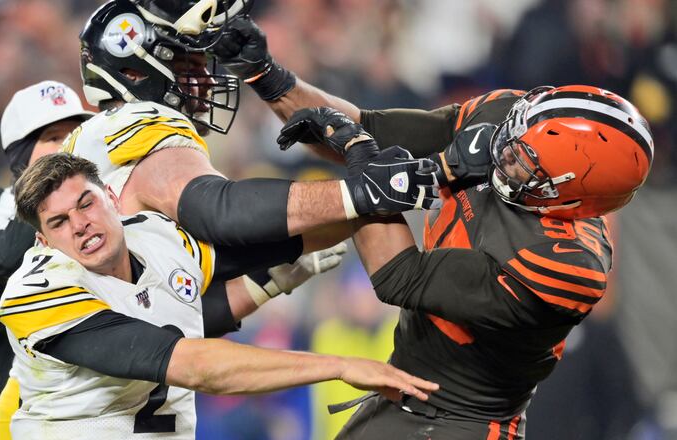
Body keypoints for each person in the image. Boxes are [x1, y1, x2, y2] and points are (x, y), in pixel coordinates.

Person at [274, 86, 653, 438]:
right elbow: (371, 126)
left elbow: (398, 275)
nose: (502, 150)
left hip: (461, 421)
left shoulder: (565, 264)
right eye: (512, 134)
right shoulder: (511, 121)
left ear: (571, 196)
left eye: (524, 160)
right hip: (398, 390)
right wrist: (268, 77)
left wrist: (376, 158)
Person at [0, 152, 439, 439]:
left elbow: (276, 242)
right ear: (43, 242)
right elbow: (194, 365)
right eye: (59, 223)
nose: (80, 225)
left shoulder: (156, 238)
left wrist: (376, 198)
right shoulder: (41, 292)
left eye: (86, 204)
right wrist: (340, 366)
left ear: (112, 197)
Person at [63, 0, 441, 256]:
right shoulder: (139, 123)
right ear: (133, 71)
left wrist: (266, 280)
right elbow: (219, 211)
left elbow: (189, 288)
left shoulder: (104, 138)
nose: (208, 83)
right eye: (191, 67)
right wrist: (355, 194)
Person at [0, 80, 93, 440]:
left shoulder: (98, 216)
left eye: (74, 134)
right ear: (20, 155)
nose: (67, 146)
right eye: (52, 137)